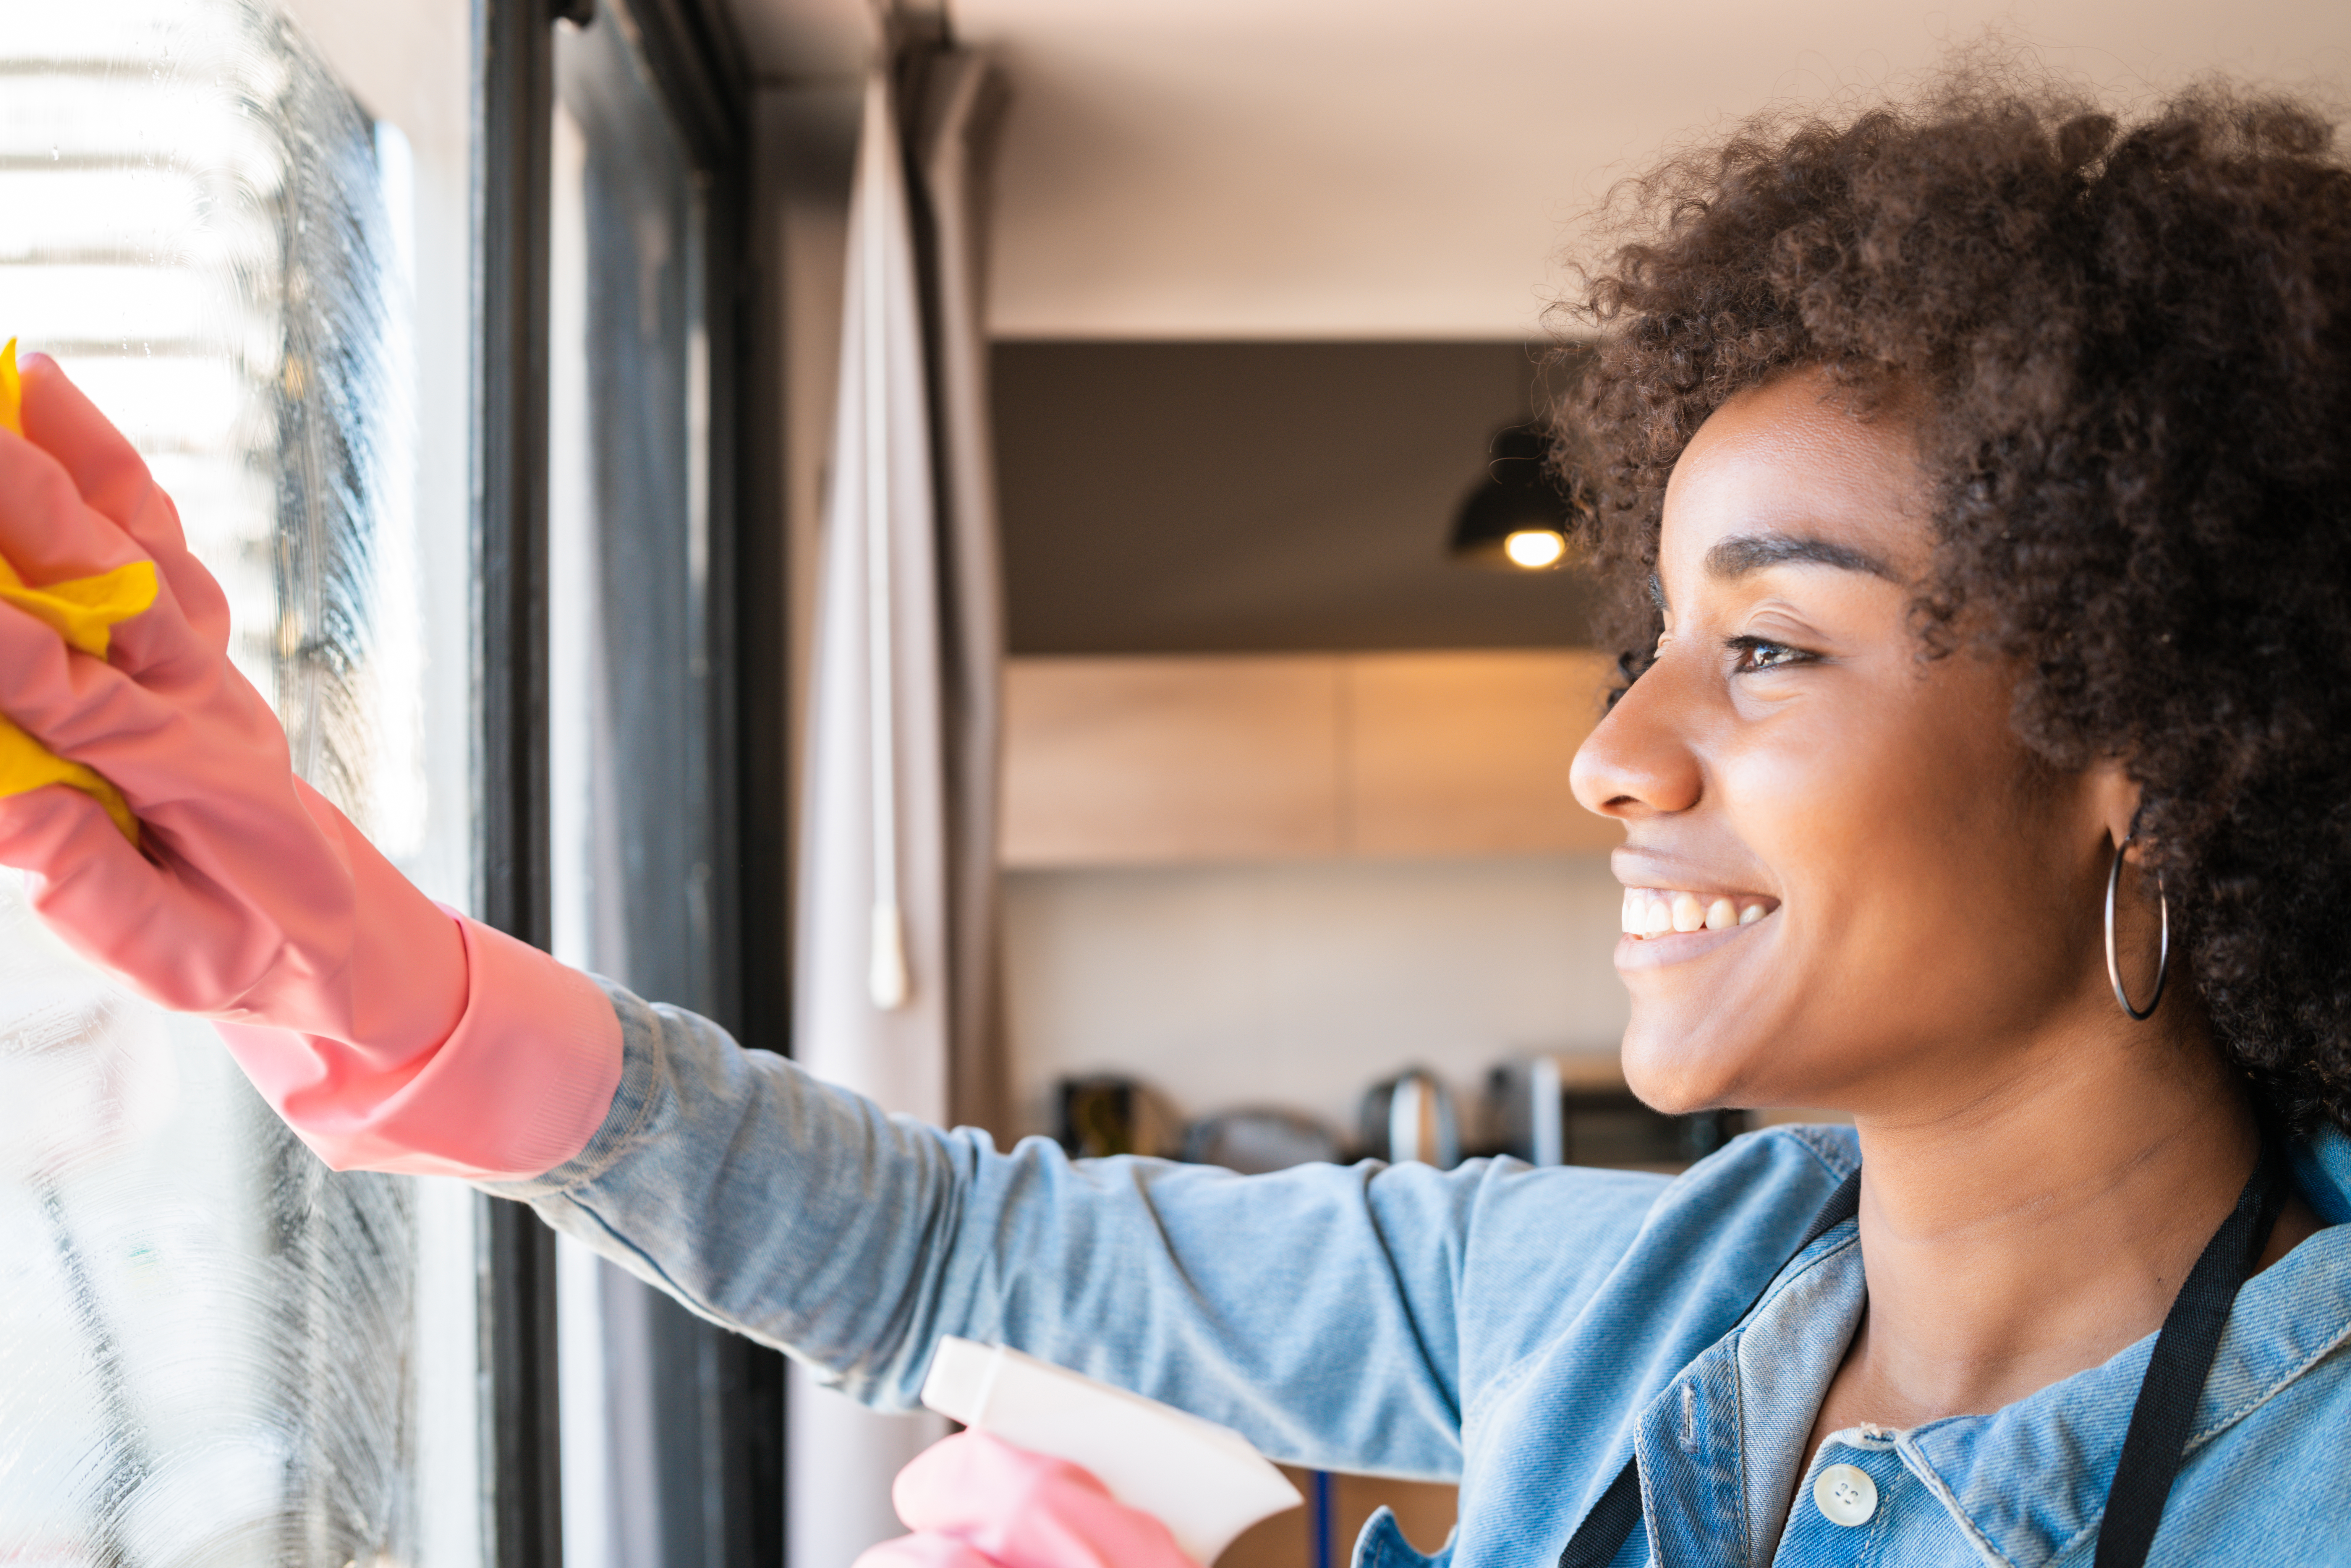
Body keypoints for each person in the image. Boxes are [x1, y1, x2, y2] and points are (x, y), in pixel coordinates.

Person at [2, 74, 2347, 1568]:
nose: (1610, 756)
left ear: (2145, 731)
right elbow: (942, 1257)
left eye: (1768, 645)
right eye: (1643, 637)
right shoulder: (1628, 1304)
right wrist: (379, 976)